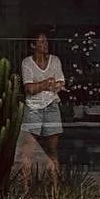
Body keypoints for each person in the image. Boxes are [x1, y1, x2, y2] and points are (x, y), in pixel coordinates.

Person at [20, 30, 66, 190]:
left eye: (46, 41)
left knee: (52, 150)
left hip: (51, 106)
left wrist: (40, 85)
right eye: (41, 42)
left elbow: (60, 84)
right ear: (33, 45)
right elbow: (29, 88)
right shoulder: (27, 63)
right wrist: (47, 83)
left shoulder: (55, 61)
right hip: (33, 107)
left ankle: (55, 190)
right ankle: (25, 189)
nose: (45, 45)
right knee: (29, 151)